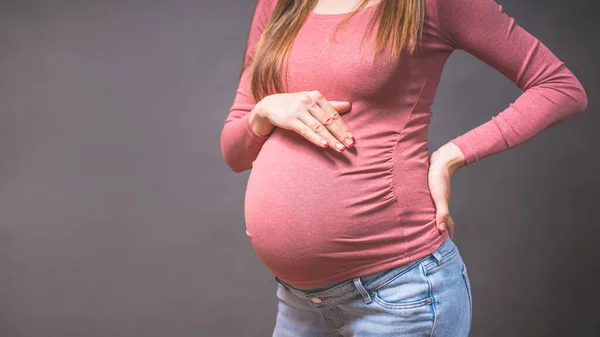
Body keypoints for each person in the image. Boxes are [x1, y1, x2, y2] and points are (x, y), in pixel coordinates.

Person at [219, 0, 588, 335]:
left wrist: (451, 155)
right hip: (299, 304)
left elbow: (560, 87)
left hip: (400, 295)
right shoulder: (281, 3)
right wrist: (263, 111)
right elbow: (235, 154)